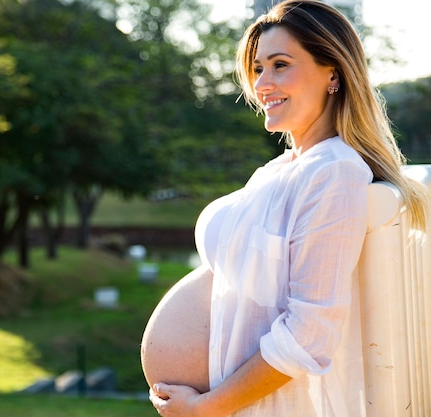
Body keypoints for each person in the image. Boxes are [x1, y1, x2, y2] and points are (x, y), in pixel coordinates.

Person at [147, 1, 428, 416]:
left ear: (333, 73)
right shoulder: (284, 168)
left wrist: (208, 407)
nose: (263, 83)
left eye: (281, 65)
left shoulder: (334, 172)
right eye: (258, 68)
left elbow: (309, 335)